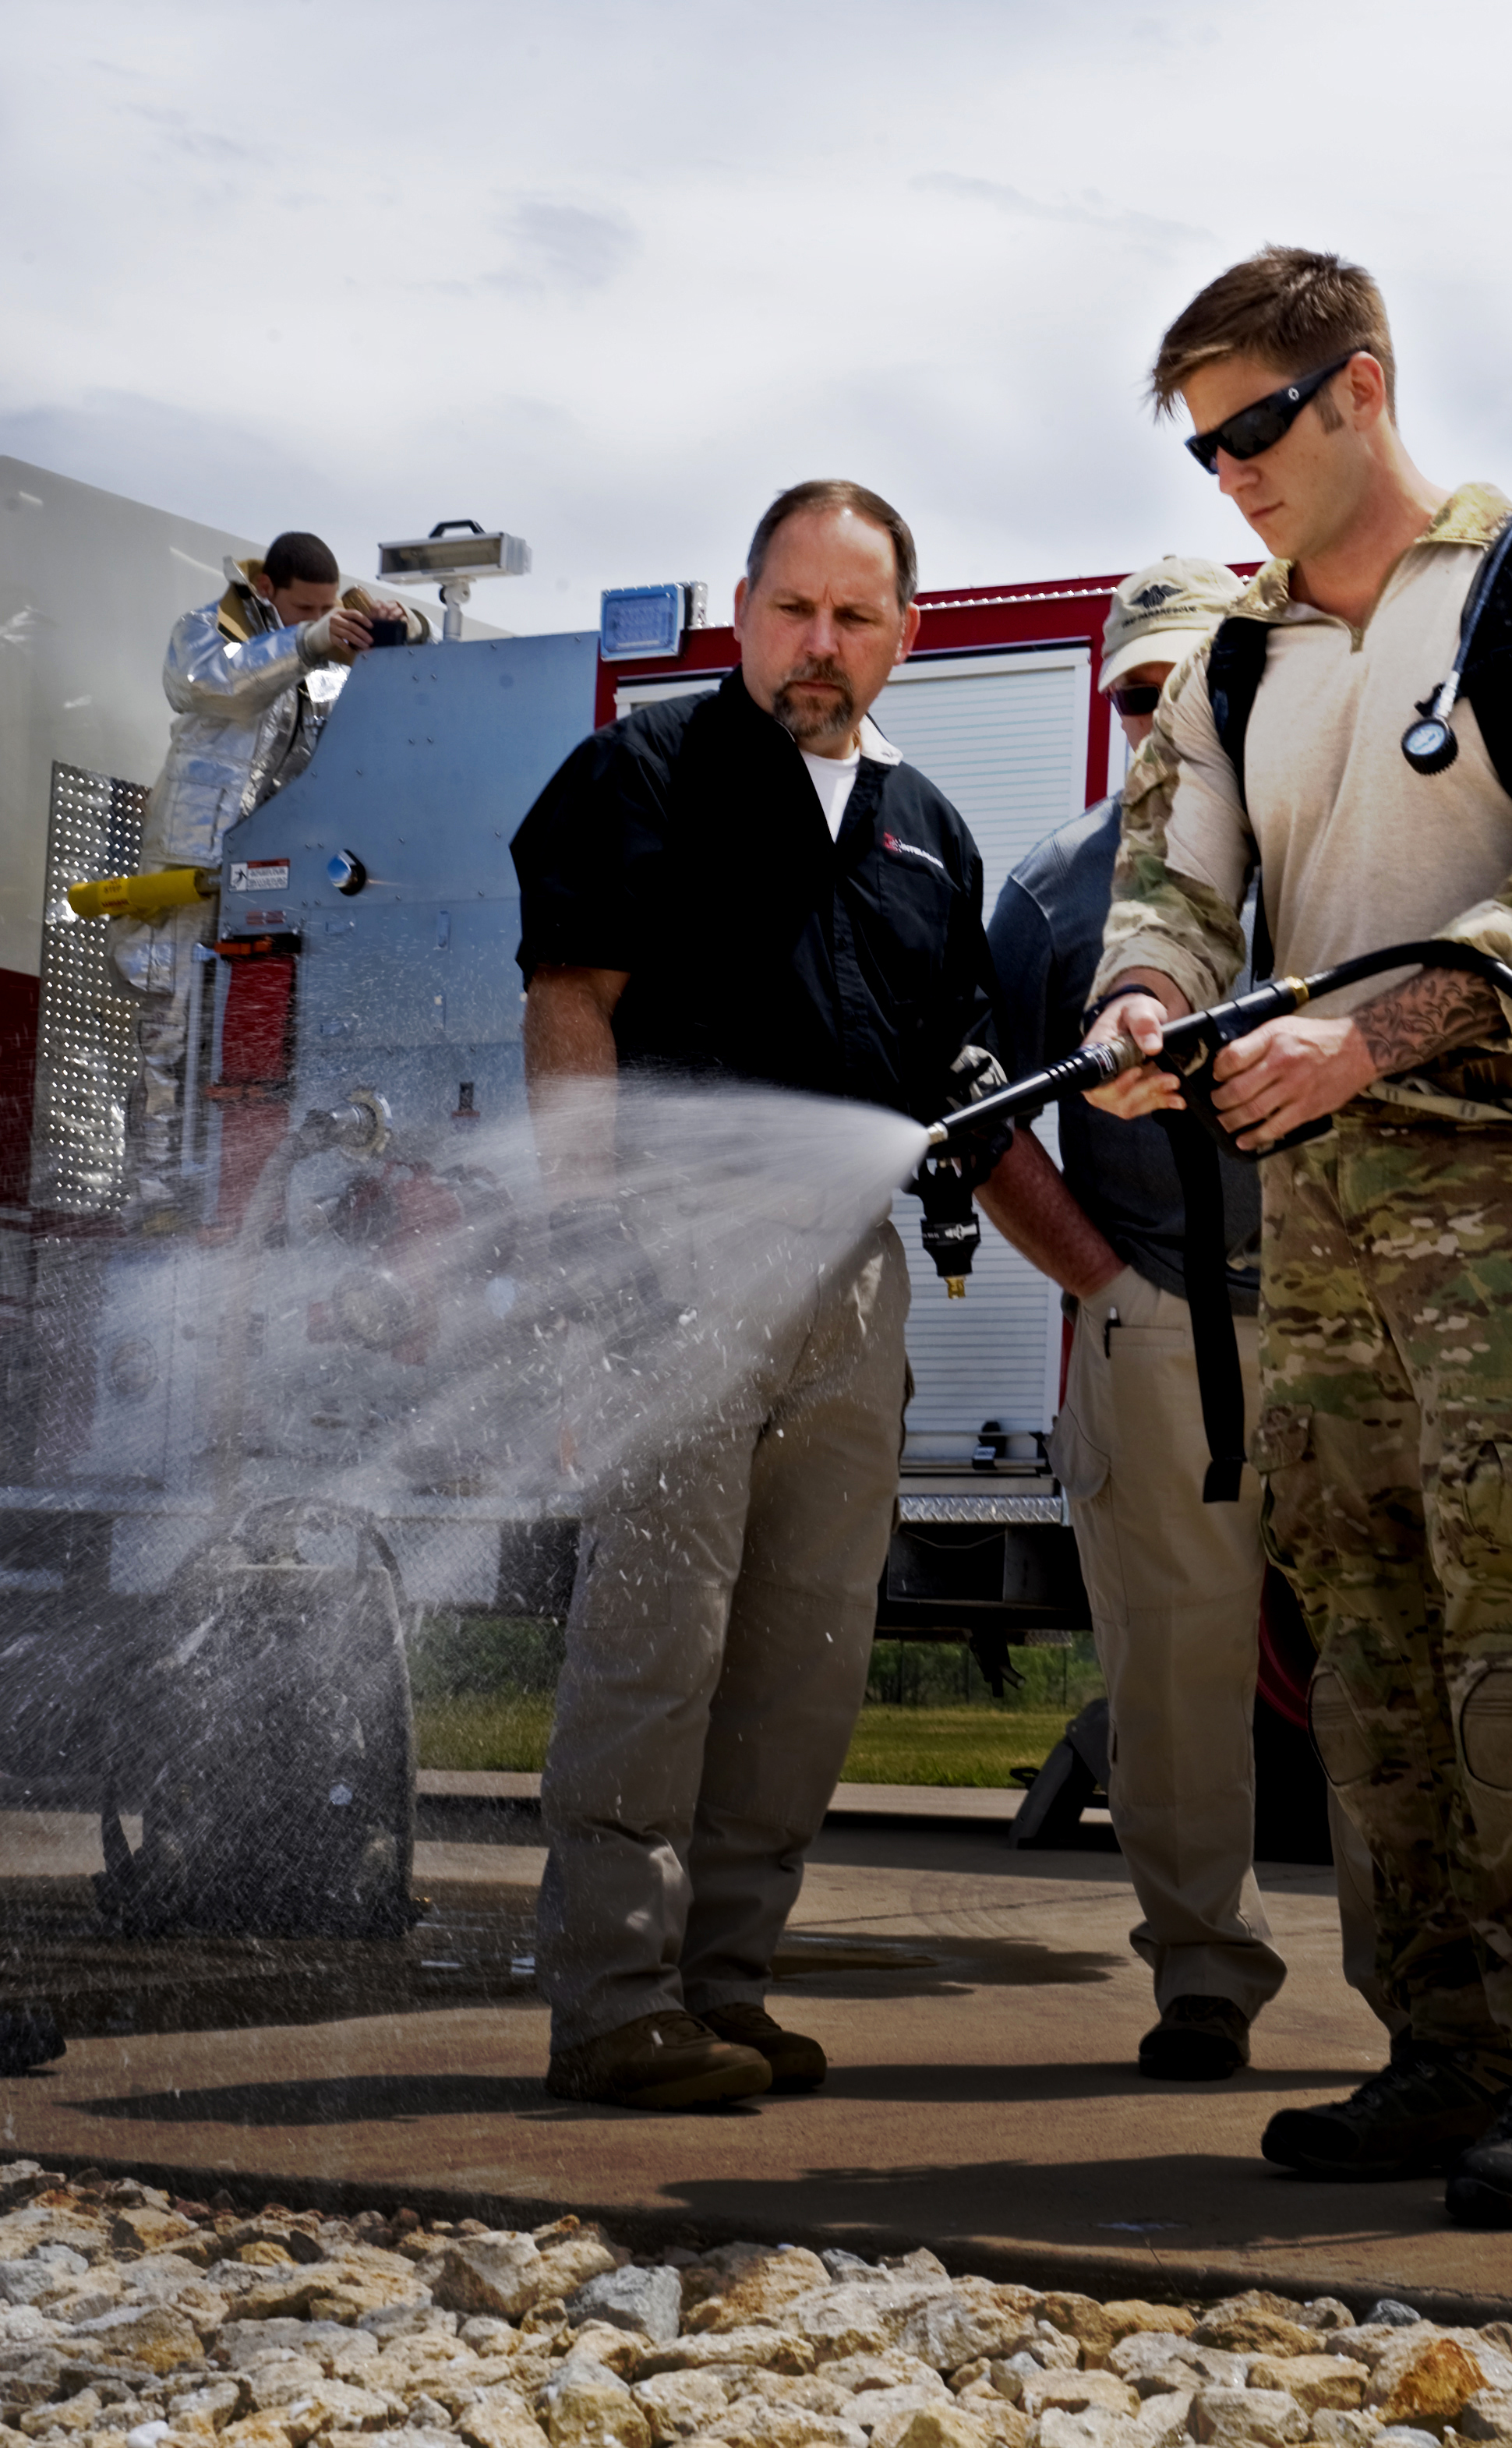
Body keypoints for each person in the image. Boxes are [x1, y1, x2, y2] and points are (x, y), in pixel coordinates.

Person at [1082, 246, 1512, 2226]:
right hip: (1313, 1217)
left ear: (1362, 389)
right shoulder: (1238, 660)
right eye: (1200, 447)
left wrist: (1368, 1035)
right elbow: (1167, 888)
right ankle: (1438, 2047)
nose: (1228, 475)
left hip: (1498, 1200)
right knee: (1358, 1641)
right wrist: (1136, 1016)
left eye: (1253, 428)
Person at [511, 479, 1002, 2114]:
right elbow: (574, 1008)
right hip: (671, 1264)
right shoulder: (641, 773)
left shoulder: (928, 826)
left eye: (856, 616)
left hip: (853, 1285)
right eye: (795, 608)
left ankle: (724, 1985)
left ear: (904, 635)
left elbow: (947, 1048)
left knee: (805, 1655)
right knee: (656, 1642)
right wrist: (588, 1256)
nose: (821, 644)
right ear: (742, 610)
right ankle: (613, 1997)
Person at [978, 555, 1298, 2082]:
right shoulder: (1048, 899)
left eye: (1202, 685)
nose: (1170, 717)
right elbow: (979, 1125)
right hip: (1162, 1327)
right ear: (1109, 702)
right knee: (1175, 1682)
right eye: (1140, 692)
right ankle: (1204, 1980)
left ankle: (1436, 1998)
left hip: (1350, 1322)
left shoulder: (1336, 860)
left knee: (1391, 1672)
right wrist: (1109, 1289)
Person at [115, 533, 414, 1225]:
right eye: (303, 606)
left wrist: (401, 627)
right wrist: (310, 642)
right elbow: (204, 686)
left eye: (327, 607)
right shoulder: (208, 630)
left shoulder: (316, 654)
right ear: (268, 589)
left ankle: (237, 1199)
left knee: (252, 1043)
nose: (315, 617)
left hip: (267, 878)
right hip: (187, 868)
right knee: (170, 1032)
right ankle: (155, 1195)